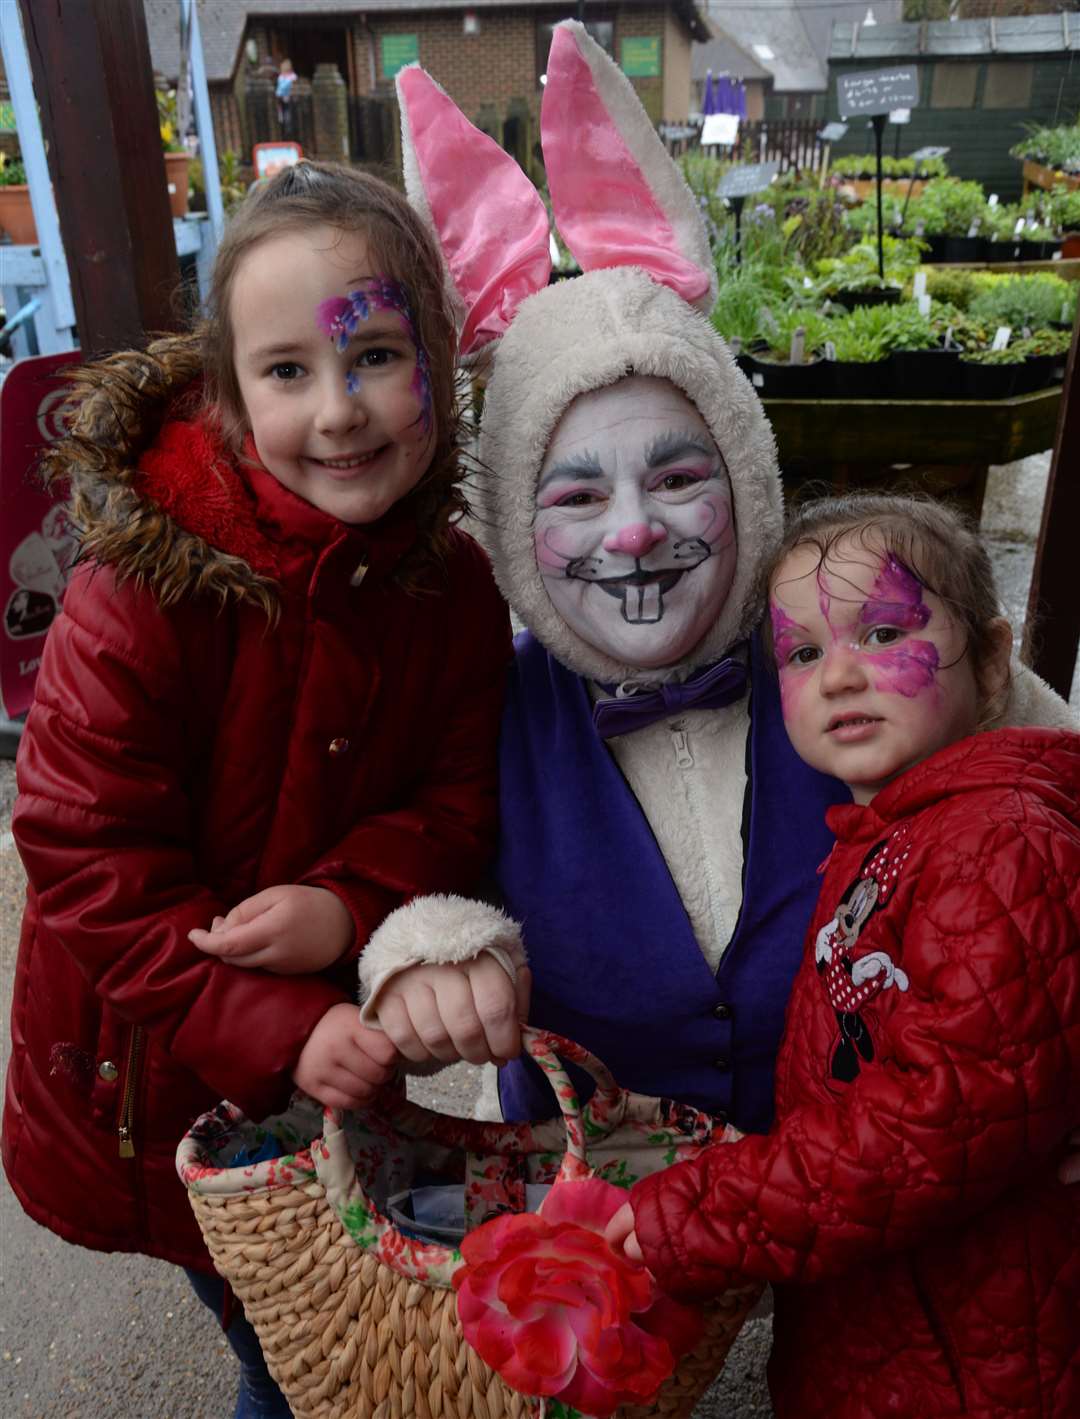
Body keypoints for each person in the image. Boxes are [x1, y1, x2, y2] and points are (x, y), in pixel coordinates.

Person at [355, 23, 1074, 1134]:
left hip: (868, 1207)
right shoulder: (480, 704)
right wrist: (421, 956)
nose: (635, 534)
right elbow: (395, 875)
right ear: (504, 519)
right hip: (600, 1248)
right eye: (577, 497)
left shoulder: (858, 642)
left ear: (746, 472)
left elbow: (1052, 776)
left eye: (681, 476)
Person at [2, 160, 511, 1418]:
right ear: (229, 398)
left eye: (378, 353)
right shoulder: (143, 593)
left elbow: (460, 799)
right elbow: (82, 851)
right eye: (288, 372)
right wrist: (275, 1027)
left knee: (314, 1306)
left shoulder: (450, 591)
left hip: (329, 1055)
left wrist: (346, 906)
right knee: (285, 1340)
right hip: (151, 1057)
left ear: (439, 363)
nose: (339, 411)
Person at [602, 493, 1079, 1418]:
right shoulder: (896, 832)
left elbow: (935, 1123)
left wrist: (709, 1210)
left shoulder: (1003, 843)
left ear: (989, 659)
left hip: (970, 1357)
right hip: (892, 1325)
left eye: (883, 629)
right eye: (804, 652)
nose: (838, 677)